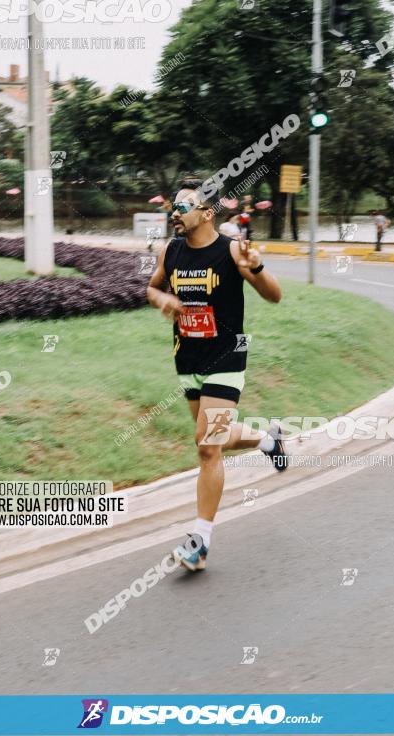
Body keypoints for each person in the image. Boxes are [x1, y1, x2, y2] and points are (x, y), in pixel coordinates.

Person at [147, 177, 285, 572]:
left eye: (184, 206)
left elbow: (274, 295)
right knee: (216, 437)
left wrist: (255, 268)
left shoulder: (231, 251)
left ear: (207, 213)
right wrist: (163, 299)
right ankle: (267, 440)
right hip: (187, 357)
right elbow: (151, 289)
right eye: (174, 206)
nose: (175, 212)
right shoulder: (170, 251)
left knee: (207, 445)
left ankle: (200, 542)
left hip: (227, 356)